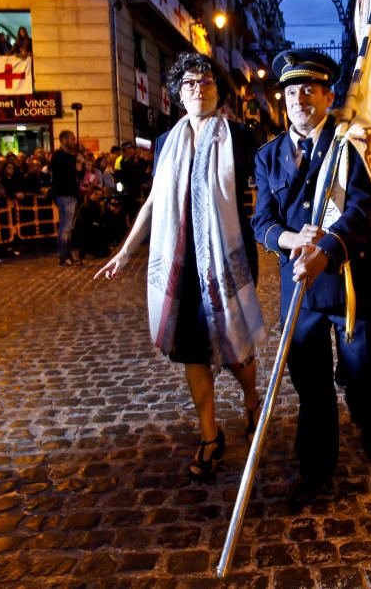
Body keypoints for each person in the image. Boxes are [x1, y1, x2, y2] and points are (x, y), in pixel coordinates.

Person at [96, 51, 264, 481]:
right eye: (189, 84)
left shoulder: (239, 137)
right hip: (180, 261)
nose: (198, 89)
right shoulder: (168, 142)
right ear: (177, 94)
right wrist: (125, 251)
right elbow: (155, 201)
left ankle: (251, 400)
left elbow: (265, 193)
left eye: (206, 82)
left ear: (219, 91)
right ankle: (210, 436)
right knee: (192, 349)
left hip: (227, 257)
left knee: (235, 344)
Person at [251, 49, 371, 512]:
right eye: (291, 91)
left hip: (349, 280)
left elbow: (362, 212)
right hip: (301, 289)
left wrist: (324, 250)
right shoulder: (268, 157)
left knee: (360, 374)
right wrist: (293, 241)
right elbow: (262, 222)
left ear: (328, 96)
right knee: (312, 387)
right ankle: (316, 469)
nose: (299, 98)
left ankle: (370, 419)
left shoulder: (353, 145)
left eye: (310, 89)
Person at [51, 131, 80, 266]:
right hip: (64, 194)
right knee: (65, 227)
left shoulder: (70, 156)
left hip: (72, 194)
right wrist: (74, 159)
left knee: (69, 227)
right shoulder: (58, 156)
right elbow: (65, 173)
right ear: (64, 140)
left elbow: (77, 174)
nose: (74, 141)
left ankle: (67, 253)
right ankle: (63, 255)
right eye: (71, 139)